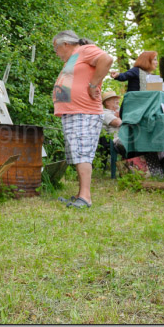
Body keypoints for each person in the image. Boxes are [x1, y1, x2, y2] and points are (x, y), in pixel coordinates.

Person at [52, 30, 113, 208]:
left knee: (82, 153)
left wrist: (93, 84)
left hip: (85, 111)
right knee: (77, 152)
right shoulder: (74, 58)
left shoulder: (84, 50)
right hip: (74, 112)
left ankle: (85, 197)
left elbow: (106, 59)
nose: (56, 53)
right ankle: (81, 194)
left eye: (56, 49)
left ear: (65, 44)